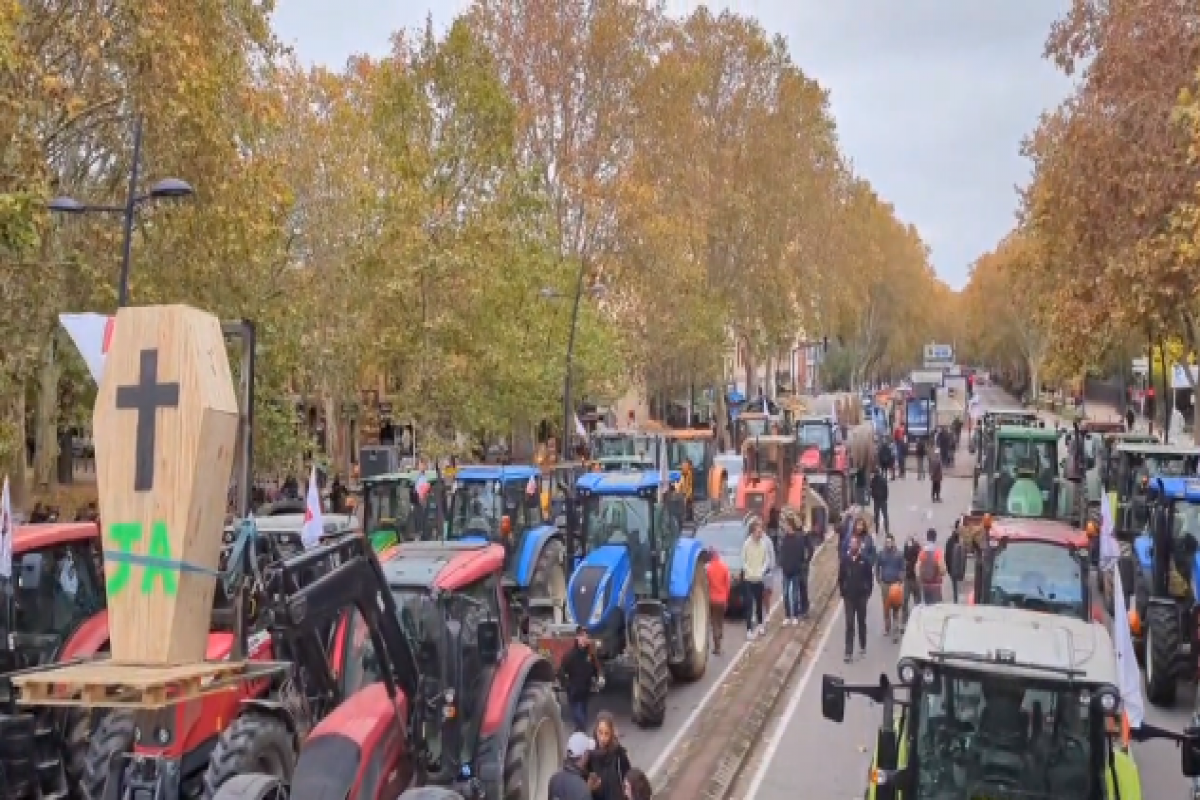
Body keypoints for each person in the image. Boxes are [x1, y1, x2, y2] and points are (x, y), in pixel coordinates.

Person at [838, 530, 873, 662]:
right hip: (849, 597)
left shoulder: (864, 560)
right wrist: (843, 591)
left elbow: (869, 578)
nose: (852, 546)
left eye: (854, 544)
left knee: (861, 622)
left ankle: (863, 644)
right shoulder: (845, 560)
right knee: (849, 624)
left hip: (861, 596)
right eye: (850, 544)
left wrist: (867, 591)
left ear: (858, 546)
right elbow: (840, 577)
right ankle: (848, 652)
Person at [558, 626, 599, 731]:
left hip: (585, 690)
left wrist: (596, 678)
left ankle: (579, 731)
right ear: (577, 638)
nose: (584, 638)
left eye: (586, 636)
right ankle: (581, 730)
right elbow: (561, 671)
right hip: (574, 691)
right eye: (582, 636)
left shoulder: (589, 655)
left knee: (583, 712)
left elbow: (595, 668)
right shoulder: (570, 656)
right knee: (578, 715)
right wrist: (566, 684)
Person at [588, 712, 632, 800]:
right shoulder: (590, 755)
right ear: (595, 731)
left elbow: (628, 779)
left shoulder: (619, 754)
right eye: (600, 732)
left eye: (606, 733)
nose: (602, 738)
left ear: (611, 734)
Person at [778, 514, 812, 624]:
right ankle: (788, 615)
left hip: (798, 569)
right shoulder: (784, 539)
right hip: (786, 570)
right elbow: (781, 553)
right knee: (786, 593)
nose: (786, 527)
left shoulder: (801, 536)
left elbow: (806, 551)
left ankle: (800, 611)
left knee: (799, 590)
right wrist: (782, 563)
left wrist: (805, 563)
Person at [742, 520, 771, 639]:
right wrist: (748, 570)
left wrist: (762, 570)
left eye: (761, 531)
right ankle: (749, 629)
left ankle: (760, 625)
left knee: (759, 604)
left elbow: (767, 559)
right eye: (758, 532)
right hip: (749, 579)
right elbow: (743, 559)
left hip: (759, 579)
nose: (760, 534)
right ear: (753, 532)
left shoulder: (763, 544)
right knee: (749, 605)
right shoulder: (746, 544)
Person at [550, 732, 597, 800]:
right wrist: (586, 791)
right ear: (584, 755)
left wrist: (587, 789)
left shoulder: (554, 779)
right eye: (588, 752)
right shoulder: (582, 790)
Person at [875, 534, 905, 638]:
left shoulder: (899, 554)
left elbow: (902, 568)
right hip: (885, 584)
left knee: (896, 606)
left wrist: (900, 580)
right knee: (886, 606)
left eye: (890, 542)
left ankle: (896, 627)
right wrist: (878, 579)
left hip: (895, 584)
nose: (888, 543)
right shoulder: (881, 554)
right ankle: (887, 626)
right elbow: (877, 567)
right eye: (886, 542)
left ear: (893, 542)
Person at [705, 547, 731, 655]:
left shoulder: (708, 569)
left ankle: (717, 647)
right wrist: (726, 599)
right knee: (720, 622)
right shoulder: (724, 567)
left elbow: (706, 584)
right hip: (722, 599)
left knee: (714, 622)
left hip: (712, 599)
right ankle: (719, 642)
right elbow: (728, 585)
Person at [918, 528, 946, 604]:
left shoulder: (923, 552)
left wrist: (921, 578)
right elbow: (942, 569)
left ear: (927, 538)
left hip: (925, 585)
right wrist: (942, 573)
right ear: (935, 538)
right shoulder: (938, 552)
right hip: (935, 585)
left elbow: (917, 568)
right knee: (936, 608)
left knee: (927, 606)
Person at [901, 534, 922, 629]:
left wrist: (907, 543)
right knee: (911, 600)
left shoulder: (916, 550)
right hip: (911, 578)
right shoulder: (915, 550)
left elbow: (906, 555)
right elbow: (905, 556)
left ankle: (908, 619)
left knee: (908, 600)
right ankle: (914, 619)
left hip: (913, 578)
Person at [944, 522, 967, 603]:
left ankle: (956, 602)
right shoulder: (960, 540)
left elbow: (946, 556)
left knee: (957, 592)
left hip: (955, 571)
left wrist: (949, 569)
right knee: (958, 592)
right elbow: (947, 556)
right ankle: (956, 603)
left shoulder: (952, 540)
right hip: (956, 571)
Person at [870, 468, 890, 536]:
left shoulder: (873, 480)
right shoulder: (883, 479)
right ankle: (887, 530)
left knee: (876, 515)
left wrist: (873, 496)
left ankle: (877, 530)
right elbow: (886, 489)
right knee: (885, 515)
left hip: (876, 500)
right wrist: (885, 497)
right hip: (883, 500)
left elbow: (871, 489)